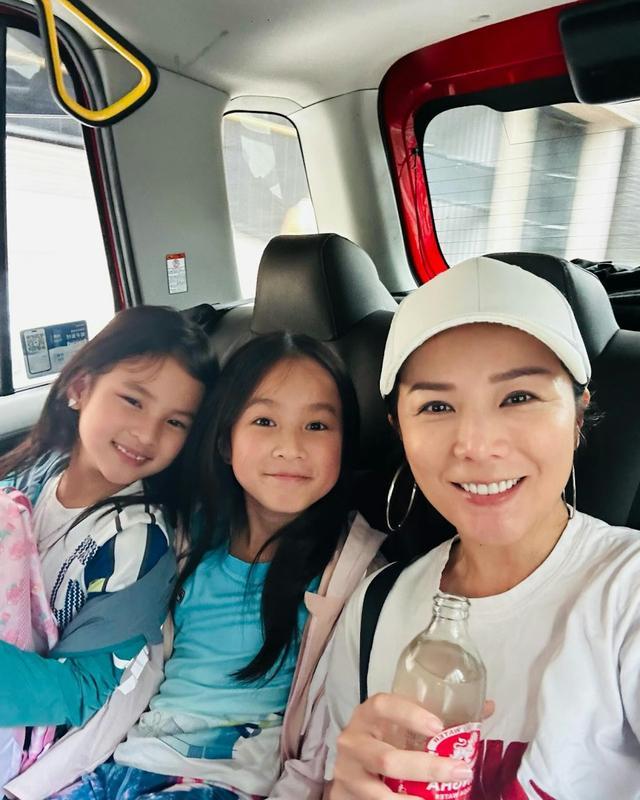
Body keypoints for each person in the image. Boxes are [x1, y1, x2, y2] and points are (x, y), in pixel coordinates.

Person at [324, 256, 640, 799]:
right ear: (399, 429)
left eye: (518, 398)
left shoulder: (627, 591)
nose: (475, 445)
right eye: (436, 406)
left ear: (578, 413)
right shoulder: (374, 606)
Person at [50, 332, 384, 800]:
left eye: (317, 426)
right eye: (265, 421)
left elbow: (329, 743)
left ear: (344, 443)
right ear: (226, 442)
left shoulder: (355, 577)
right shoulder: (179, 539)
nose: (290, 447)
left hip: (228, 782)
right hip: (124, 764)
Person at [0, 305, 216, 796]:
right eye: (133, 400)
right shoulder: (33, 475)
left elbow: (81, 689)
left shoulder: (135, 545)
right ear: (80, 387)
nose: (147, 434)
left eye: (175, 422)